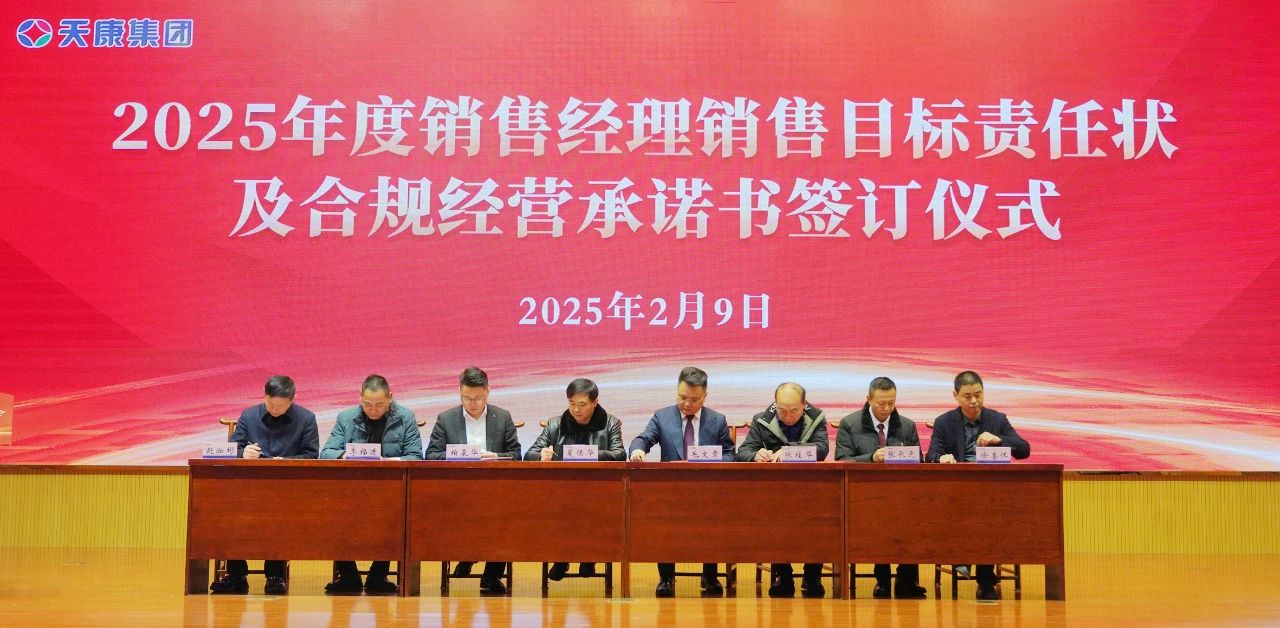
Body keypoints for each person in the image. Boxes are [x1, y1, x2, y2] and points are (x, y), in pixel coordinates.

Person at [627, 367, 735, 597]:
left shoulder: (717, 420)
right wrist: (637, 450)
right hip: (671, 489)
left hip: (707, 489)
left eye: (694, 399)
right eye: (682, 397)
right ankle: (666, 577)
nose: (687, 404)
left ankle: (710, 575)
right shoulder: (662, 417)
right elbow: (643, 439)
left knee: (713, 521)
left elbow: (729, 455)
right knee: (664, 522)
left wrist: (711, 460)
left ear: (705, 397)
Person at [925, 370, 1031, 601]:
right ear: (955, 396)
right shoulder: (944, 422)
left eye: (978, 395)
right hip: (957, 492)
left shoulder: (997, 420)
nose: (974, 401)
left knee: (987, 513)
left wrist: (1000, 439)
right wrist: (941, 458)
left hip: (992, 491)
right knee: (971, 512)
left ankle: (975, 570)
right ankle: (981, 576)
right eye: (967, 396)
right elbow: (931, 455)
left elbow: (1024, 449)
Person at [209, 375, 318, 595]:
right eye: (270, 404)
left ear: (293, 399)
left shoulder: (306, 418)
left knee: (278, 514)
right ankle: (237, 575)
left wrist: (286, 462)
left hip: (286, 489)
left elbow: (311, 455)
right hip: (248, 487)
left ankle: (275, 575)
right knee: (229, 512)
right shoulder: (249, 416)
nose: (275, 410)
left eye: (280, 406)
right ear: (263, 396)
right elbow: (232, 450)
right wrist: (243, 453)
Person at [319, 374, 424, 595]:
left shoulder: (405, 418)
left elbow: (415, 456)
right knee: (334, 511)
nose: (373, 410)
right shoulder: (346, 417)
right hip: (352, 489)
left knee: (395, 515)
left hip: (391, 491)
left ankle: (378, 575)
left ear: (390, 398)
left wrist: (389, 462)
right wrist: (346, 455)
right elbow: (327, 452)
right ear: (360, 398)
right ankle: (348, 575)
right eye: (367, 404)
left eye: (379, 404)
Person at [424, 367, 521, 595]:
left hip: (495, 489)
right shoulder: (446, 419)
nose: (473, 403)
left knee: (504, 515)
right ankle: (467, 555)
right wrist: (461, 455)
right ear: (459, 392)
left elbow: (516, 454)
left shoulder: (502, 416)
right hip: (458, 490)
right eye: (467, 397)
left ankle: (491, 575)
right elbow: (431, 455)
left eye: (478, 397)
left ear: (488, 392)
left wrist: (495, 456)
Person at [833, 376, 927, 599]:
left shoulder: (907, 425)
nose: (886, 408)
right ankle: (882, 581)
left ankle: (907, 581)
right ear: (869, 399)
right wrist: (871, 458)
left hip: (902, 496)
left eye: (891, 403)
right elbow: (842, 460)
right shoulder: (850, 423)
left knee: (912, 517)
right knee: (878, 519)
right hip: (864, 496)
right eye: (881, 403)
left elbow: (919, 462)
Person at [735, 382, 830, 598]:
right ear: (775, 404)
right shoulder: (762, 419)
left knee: (821, 520)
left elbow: (822, 449)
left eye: (793, 411)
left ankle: (812, 575)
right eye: (782, 410)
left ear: (804, 405)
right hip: (776, 492)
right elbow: (743, 451)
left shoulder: (816, 418)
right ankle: (783, 576)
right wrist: (755, 455)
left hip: (811, 490)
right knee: (773, 519)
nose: (787, 416)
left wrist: (788, 452)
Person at [525, 378, 625, 582]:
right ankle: (562, 557)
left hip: (598, 489)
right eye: (572, 404)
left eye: (582, 404)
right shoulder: (555, 424)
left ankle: (589, 556)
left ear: (595, 402)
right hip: (562, 490)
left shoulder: (610, 423)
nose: (576, 410)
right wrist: (541, 456)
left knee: (593, 508)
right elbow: (529, 454)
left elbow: (620, 454)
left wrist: (589, 454)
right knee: (559, 508)